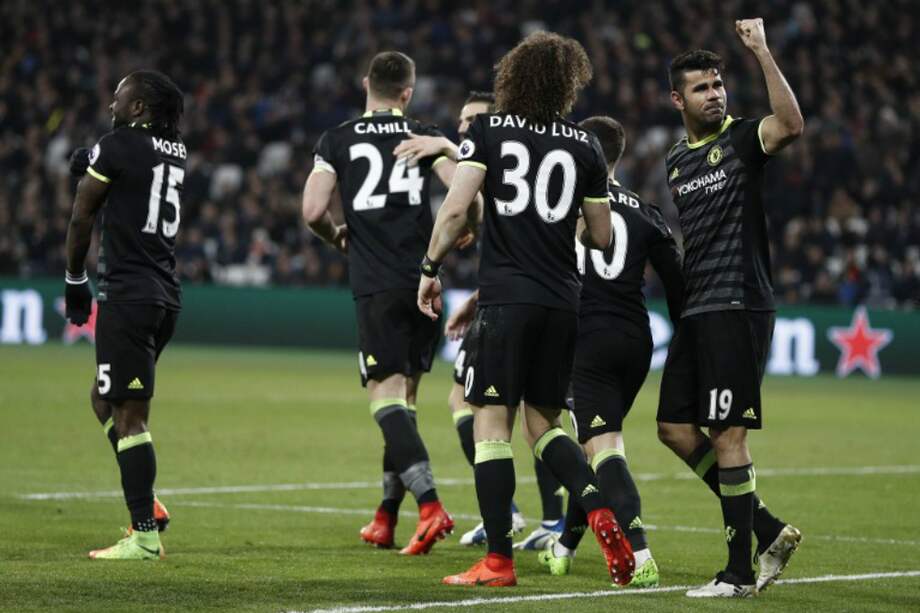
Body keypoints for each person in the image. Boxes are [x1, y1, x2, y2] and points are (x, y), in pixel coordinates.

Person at [417, 32, 634, 587]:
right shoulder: (586, 148)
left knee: (491, 427)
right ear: (568, 85)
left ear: (513, 77)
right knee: (545, 426)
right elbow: (604, 236)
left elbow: (456, 210)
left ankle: (497, 561)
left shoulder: (489, 131)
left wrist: (430, 268)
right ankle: (601, 510)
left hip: (507, 299)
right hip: (563, 302)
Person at [657, 19, 804, 598]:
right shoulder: (675, 161)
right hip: (698, 310)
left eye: (718, 84)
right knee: (672, 427)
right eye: (702, 87)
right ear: (678, 99)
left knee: (727, 436)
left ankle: (738, 573)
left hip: (737, 303)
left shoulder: (744, 139)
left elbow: (791, 124)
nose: (715, 93)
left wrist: (762, 51)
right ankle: (767, 528)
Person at [302, 51, 455, 555]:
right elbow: (464, 193)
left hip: (377, 283)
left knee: (385, 400)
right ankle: (386, 517)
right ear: (408, 93)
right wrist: (468, 229)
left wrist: (336, 236)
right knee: (405, 404)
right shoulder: (424, 137)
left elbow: (312, 210)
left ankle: (430, 507)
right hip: (424, 281)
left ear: (366, 83)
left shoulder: (338, 139)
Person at [396, 91, 564, 550]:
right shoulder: (495, 155)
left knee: (532, 416)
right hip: (503, 298)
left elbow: (482, 205)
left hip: (521, 305)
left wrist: (448, 150)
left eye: (476, 118)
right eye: (462, 119)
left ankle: (551, 518)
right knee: (467, 401)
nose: (466, 126)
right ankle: (517, 514)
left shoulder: (503, 156)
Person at [533, 116, 684, 589]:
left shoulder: (560, 207)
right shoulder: (647, 212)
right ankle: (563, 547)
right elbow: (679, 286)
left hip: (584, 337)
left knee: (602, 449)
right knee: (593, 446)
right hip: (636, 341)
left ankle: (640, 554)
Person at [64, 70, 186, 560]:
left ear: (140, 109)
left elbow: (82, 215)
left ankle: (144, 537)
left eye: (120, 97)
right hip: (163, 296)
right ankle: (147, 502)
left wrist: (76, 281)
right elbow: (130, 178)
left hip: (129, 295)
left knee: (131, 417)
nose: (112, 104)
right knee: (102, 398)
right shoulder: (175, 151)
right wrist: (94, 159)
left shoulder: (116, 144)